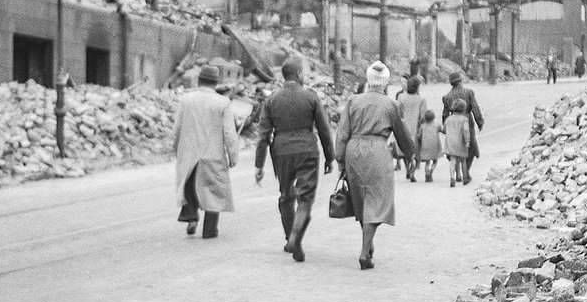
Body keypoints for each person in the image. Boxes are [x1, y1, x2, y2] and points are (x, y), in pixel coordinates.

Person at [335, 61, 415, 270]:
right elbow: (401, 134)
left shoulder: (353, 101)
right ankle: (364, 252)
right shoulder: (391, 104)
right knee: (378, 201)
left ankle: (367, 245)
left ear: (368, 79)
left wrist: (340, 159)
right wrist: (410, 153)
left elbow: (342, 133)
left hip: (354, 150)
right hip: (378, 151)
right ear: (386, 81)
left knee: (360, 200)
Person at [254, 58, 334, 262]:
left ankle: (289, 236)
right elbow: (324, 130)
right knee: (305, 198)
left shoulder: (271, 100)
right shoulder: (311, 97)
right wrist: (330, 157)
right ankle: (296, 235)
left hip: (281, 152)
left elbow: (263, 135)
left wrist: (259, 165)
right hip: (307, 150)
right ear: (298, 75)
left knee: (286, 195)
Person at [173, 65, 239, 239]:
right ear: (215, 83)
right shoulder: (223, 102)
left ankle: (191, 218)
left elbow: (177, 128)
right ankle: (209, 230)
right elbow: (229, 133)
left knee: (190, 186)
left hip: (189, 154)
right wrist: (233, 156)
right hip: (213, 155)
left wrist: (177, 149)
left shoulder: (186, 99)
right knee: (213, 194)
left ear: (199, 80)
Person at [441, 71, 485, 179]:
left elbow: (445, 114)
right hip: (467, 121)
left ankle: (458, 173)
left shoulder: (447, 97)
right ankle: (466, 171)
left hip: (453, 123)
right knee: (470, 147)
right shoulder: (468, 92)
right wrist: (480, 122)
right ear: (460, 81)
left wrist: (446, 126)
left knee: (455, 148)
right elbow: (475, 107)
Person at [395, 75, 427, 182]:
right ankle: (413, 168)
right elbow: (423, 116)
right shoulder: (421, 99)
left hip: (403, 126)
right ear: (417, 87)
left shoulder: (401, 97)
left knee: (405, 149)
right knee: (415, 149)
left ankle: (408, 168)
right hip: (416, 126)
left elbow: (398, 112)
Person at [443, 99, 471, 187]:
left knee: (452, 161)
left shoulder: (449, 119)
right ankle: (465, 178)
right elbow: (466, 130)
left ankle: (452, 178)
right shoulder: (464, 119)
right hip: (461, 142)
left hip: (450, 142)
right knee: (463, 161)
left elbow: (444, 129)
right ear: (463, 109)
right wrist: (467, 141)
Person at [416, 110, 443, 182]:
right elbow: (443, 131)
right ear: (434, 117)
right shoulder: (437, 125)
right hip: (435, 145)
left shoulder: (422, 126)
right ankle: (431, 171)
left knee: (427, 162)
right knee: (435, 160)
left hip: (425, 145)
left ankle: (426, 173)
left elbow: (419, 136)